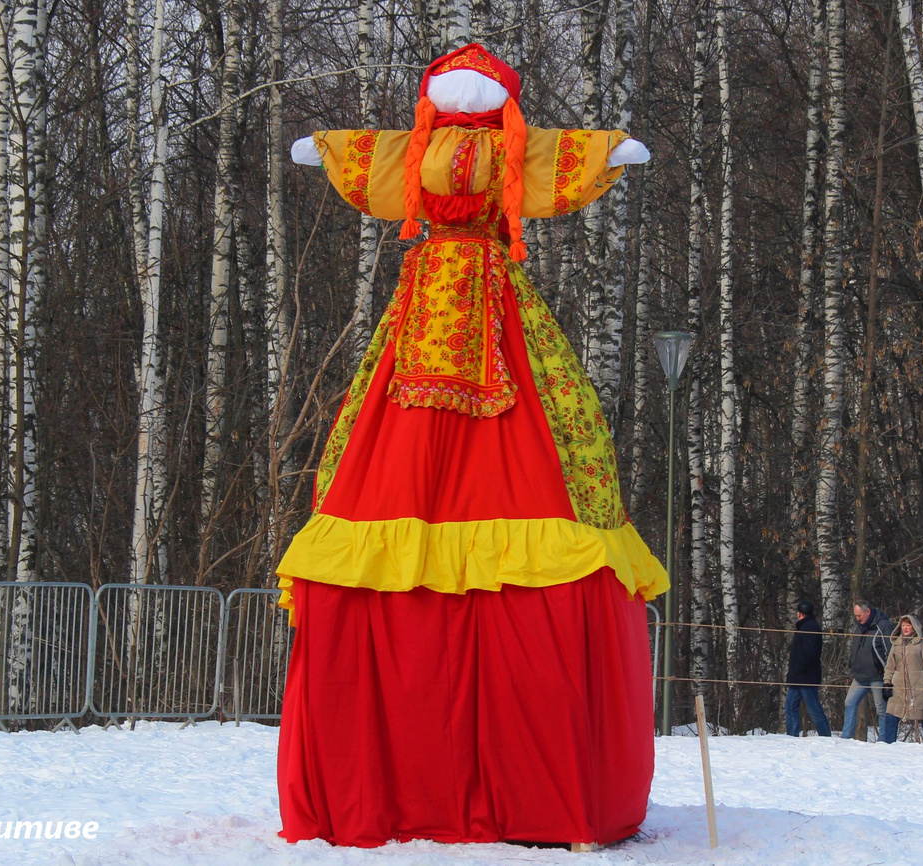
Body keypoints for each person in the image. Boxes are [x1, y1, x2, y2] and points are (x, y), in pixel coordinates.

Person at [276, 44, 664, 847]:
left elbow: (559, 154)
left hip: (494, 299)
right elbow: (375, 153)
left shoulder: (513, 145)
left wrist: (609, 149)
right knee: (391, 449)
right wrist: (327, 149)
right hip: (424, 306)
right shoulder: (415, 145)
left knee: (557, 441)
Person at [880, 614, 923, 743]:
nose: (905, 628)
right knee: (891, 714)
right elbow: (890, 665)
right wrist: (886, 682)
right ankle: (888, 745)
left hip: (919, 686)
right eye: (903, 625)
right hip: (898, 687)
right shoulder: (896, 643)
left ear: (914, 627)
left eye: (908, 625)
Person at [841, 600, 894, 739]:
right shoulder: (858, 627)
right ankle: (846, 738)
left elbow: (890, 651)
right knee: (849, 703)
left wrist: (888, 676)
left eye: (859, 615)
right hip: (859, 677)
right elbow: (854, 649)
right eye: (855, 616)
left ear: (868, 612)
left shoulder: (883, 626)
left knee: (881, 709)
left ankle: (884, 741)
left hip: (878, 676)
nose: (857, 619)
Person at [785, 600, 832, 736]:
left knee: (814, 709)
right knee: (790, 705)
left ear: (800, 613)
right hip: (799, 676)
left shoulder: (810, 628)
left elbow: (809, 653)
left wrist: (799, 668)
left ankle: (826, 736)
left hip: (806, 676)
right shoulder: (806, 626)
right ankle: (792, 735)